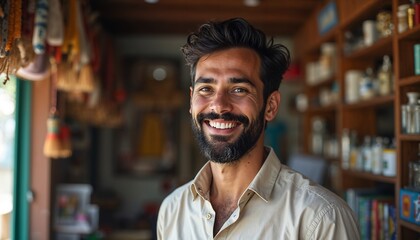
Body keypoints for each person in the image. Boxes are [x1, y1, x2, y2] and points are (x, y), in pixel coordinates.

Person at [157, 17, 360, 239]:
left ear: (270, 106)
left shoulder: (321, 218)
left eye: (239, 90)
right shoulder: (172, 210)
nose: (219, 106)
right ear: (191, 100)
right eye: (205, 88)